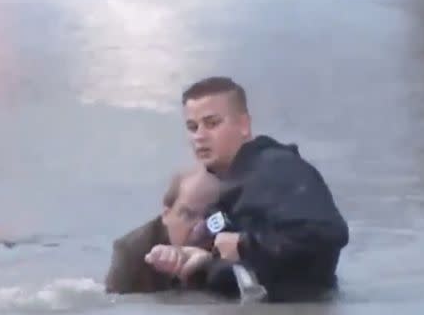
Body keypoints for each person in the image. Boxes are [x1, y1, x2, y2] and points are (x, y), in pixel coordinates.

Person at [162, 76, 350, 302]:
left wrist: (244, 245)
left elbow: (328, 233)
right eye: (192, 127)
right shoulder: (228, 186)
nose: (200, 137)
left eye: (212, 123)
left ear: (244, 125)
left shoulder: (278, 169)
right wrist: (200, 259)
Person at [104, 167, 220, 294]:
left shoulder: (229, 238)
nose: (200, 228)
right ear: (166, 214)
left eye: (210, 216)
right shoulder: (133, 251)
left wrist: (210, 264)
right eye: (189, 215)